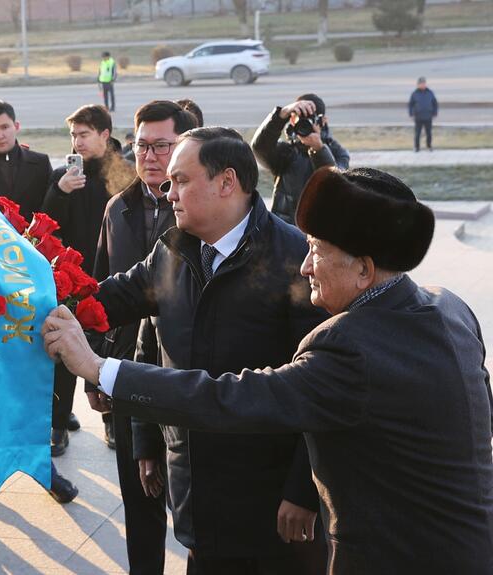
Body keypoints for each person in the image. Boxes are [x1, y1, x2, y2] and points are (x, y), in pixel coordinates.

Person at [44, 166, 493, 575]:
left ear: (363, 269)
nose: (305, 266)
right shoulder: (447, 307)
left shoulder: (350, 347)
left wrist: (98, 367)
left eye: (316, 250)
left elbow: (227, 398)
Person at [82, 127, 328, 574]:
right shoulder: (171, 251)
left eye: (180, 180)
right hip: (195, 493)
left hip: (269, 503)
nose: (167, 191)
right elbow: (137, 335)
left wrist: (303, 491)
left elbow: (318, 390)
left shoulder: (296, 259)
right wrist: (36, 295)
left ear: (227, 182)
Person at [90, 100, 198, 575]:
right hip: (127, 369)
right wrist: (93, 371)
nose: (149, 156)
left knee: (194, 506)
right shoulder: (118, 208)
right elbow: (100, 290)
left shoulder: (200, 211)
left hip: (183, 371)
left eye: (161, 146)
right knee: (139, 498)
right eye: (141, 146)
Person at [41, 104, 134, 458]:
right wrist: (60, 191)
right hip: (70, 277)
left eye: (84, 134)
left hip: (112, 274)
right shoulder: (63, 174)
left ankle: (111, 418)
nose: (77, 142)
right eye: (73, 135)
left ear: (104, 135)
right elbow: (47, 224)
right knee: (63, 347)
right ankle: (58, 422)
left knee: (108, 349)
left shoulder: (124, 171)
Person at [251, 94, 349, 225]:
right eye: (301, 119)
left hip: (322, 228)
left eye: (310, 119)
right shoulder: (286, 152)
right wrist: (281, 114)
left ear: (323, 121)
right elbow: (259, 147)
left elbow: (335, 182)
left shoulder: (337, 152)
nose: (305, 123)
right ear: (292, 120)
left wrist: (319, 149)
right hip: (286, 229)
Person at [409, 76, 438, 152]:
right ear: (418, 85)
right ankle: (416, 147)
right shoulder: (414, 94)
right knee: (417, 133)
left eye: (424, 83)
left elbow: (435, 103)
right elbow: (410, 105)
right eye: (421, 83)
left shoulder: (430, 93)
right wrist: (411, 114)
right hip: (418, 117)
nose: (422, 85)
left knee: (429, 133)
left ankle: (429, 146)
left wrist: (435, 113)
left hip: (428, 116)